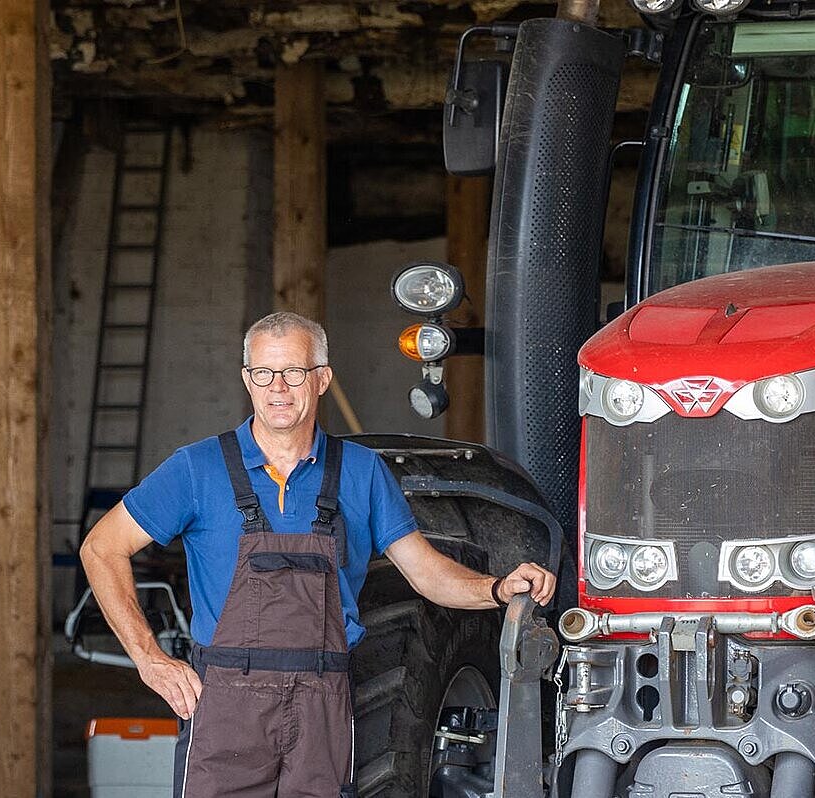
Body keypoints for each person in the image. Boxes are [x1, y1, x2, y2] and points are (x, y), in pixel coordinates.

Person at [81, 311, 556, 798]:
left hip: (323, 706)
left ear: (322, 378)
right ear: (248, 380)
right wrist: (148, 658)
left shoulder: (362, 472)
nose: (278, 388)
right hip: (225, 705)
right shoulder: (196, 469)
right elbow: (102, 548)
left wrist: (497, 588)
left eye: (294, 372)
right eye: (264, 373)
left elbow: (426, 572)